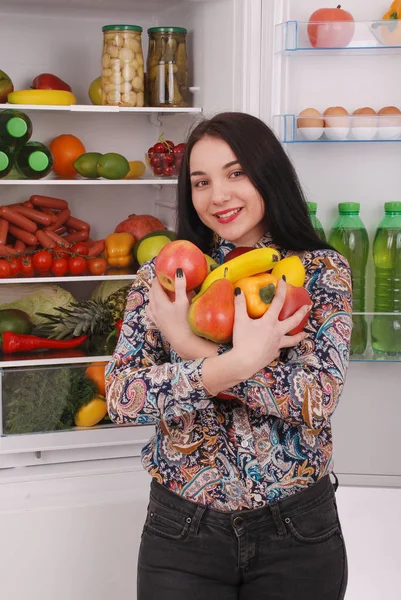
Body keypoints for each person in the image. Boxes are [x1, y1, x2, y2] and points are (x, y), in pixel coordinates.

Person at [106, 112, 352, 600]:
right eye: (201, 181)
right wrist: (239, 362)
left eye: (236, 173)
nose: (218, 195)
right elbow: (123, 399)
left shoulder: (320, 272)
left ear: (269, 174)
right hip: (182, 531)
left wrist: (189, 347)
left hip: (297, 529)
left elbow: (315, 401)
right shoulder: (166, 274)